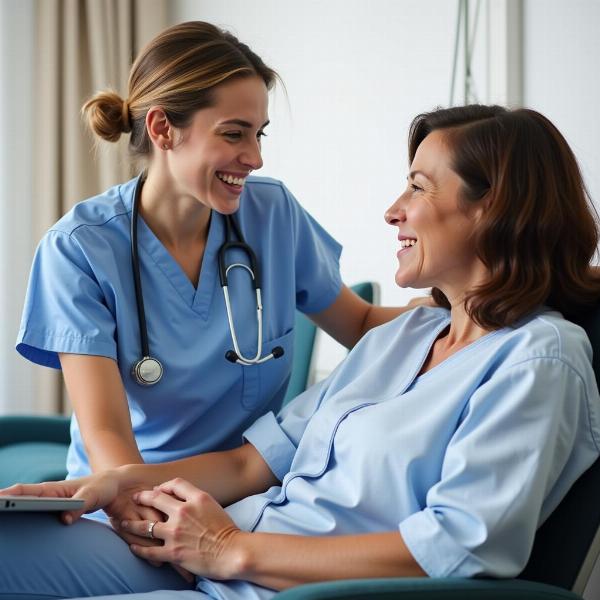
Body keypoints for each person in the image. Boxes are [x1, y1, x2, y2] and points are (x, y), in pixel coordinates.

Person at [2, 104, 600, 600]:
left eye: (416, 187)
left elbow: (459, 545)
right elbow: (250, 464)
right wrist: (116, 485)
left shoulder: (539, 360)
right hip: (218, 556)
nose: (393, 209)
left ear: (493, 209)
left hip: (275, 582)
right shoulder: (404, 338)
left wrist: (230, 551)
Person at [14, 22, 417, 524]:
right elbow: (108, 441)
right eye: (234, 133)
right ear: (162, 129)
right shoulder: (79, 249)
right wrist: (154, 520)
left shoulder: (272, 215)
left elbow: (359, 326)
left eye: (258, 133)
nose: (255, 157)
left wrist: (458, 308)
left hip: (254, 499)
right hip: (131, 505)